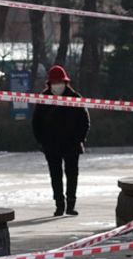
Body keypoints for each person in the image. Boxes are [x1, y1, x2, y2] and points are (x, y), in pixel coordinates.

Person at [31, 65, 90, 216]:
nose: (57, 85)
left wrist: (79, 139)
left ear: (65, 82)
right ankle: (59, 204)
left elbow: (85, 120)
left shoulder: (75, 97)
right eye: (54, 82)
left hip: (71, 144)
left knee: (72, 174)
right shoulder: (43, 99)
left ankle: (71, 204)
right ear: (50, 83)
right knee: (55, 175)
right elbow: (36, 123)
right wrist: (42, 141)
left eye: (60, 81)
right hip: (51, 145)